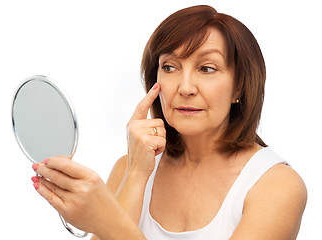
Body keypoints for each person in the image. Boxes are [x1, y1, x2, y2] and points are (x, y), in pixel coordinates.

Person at [30, 5, 307, 240]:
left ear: (239, 87)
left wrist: (106, 221)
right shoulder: (128, 168)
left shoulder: (277, 186)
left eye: (207, 68)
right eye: (170, 67)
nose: (185, 87)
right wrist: (137, 174)